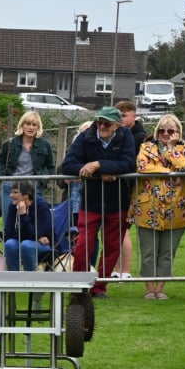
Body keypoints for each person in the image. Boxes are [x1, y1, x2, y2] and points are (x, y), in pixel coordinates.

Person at [59, 105, 137, 295]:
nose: (101, 127)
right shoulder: (86, 136)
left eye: (106, 124)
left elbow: (129, 163)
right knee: (84, 243)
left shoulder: (126, 136)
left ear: (117, 125)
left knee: (112, 246)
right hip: (91, 200)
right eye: (99, 122)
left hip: (118, 200)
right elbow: (68, 165)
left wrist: (98, 165)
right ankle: (78, 285)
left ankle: (99, 286)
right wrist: (99, 171)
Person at [129, 113, 185, 300]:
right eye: (162, 130)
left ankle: (161, 288)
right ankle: (149, 289)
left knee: (168, 251)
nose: (166, 133)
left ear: (178, 132)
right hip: (148, 206)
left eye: (171, 131)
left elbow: (184, 166)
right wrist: (168, 171)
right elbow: (143, 166)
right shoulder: (146, 147)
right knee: (148, 250)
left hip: (177, 208)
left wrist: (170, 149)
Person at [0, 111, 55, 220]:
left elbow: (50, 166)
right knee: (10, 221)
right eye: (27, 124)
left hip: (33, 189)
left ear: (38, 127)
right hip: (10, 188)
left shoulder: (45, 145)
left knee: (32, 221)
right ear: (22, 125)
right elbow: (0, 162)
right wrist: (4, 178)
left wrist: (42, 181)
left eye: (34, 125)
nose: (30, 127)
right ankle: (9, 238)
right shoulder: (10, 143)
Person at [2, 183, 49, 272]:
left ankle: (30, 278)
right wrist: (36, 237)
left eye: (15, 192)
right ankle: (15, 278)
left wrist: (23, 215)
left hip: (46, 244)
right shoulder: (13, 206)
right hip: (26, 241)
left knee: (26, 245)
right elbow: (9, 233)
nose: (11, 195)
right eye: (11, 192)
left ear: (26, 195)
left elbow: (38, 232)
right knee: (10, 244)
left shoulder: (41, 206)